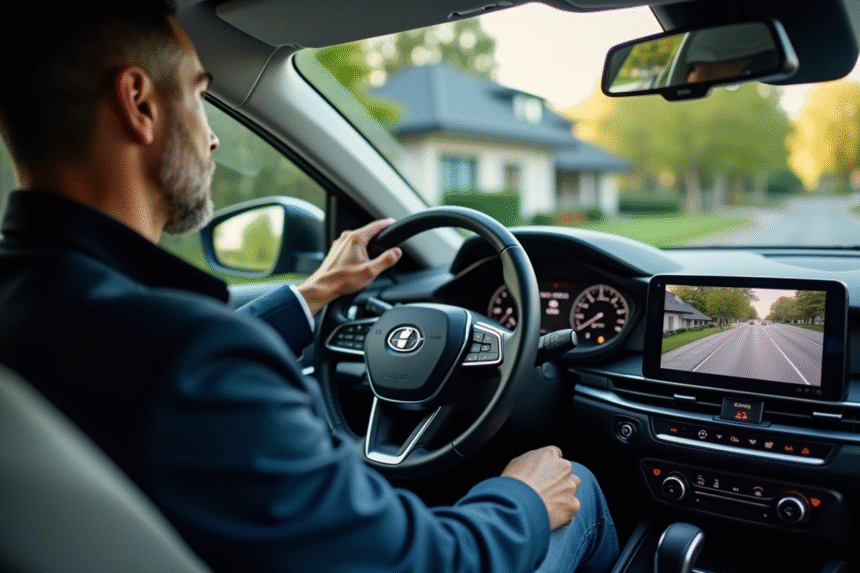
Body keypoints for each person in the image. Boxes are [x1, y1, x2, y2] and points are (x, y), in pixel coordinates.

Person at [0, 2, 619, 572]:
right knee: (578, 487)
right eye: (198, 95)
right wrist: (522, 500)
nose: (212, 137)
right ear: (138, 103)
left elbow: (142, 367)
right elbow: (419, 563)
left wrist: (313, 293)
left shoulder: (38, 301)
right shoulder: (188, 356)